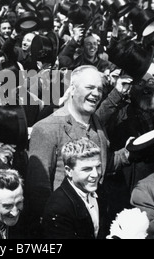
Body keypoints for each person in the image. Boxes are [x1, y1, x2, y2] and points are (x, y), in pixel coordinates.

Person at [25, 65, 130, 237]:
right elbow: (38, 190)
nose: (96, 93)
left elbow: (105, 165)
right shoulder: (47, 128)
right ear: (72, 89)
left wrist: (129, 153)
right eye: (89, 87)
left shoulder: (98, 126)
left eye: (99, 89)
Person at [98, 62, 154, 217]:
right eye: (142, 81)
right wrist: (116, 94)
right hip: (122, 197)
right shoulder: (118, 115)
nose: (148, 86)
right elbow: (94, 126)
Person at [41, 138, 107, 239]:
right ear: (68, 171)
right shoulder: (58, 208)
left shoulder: (100, 191)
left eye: (98, 167)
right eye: (87, 169)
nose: (95, 174)